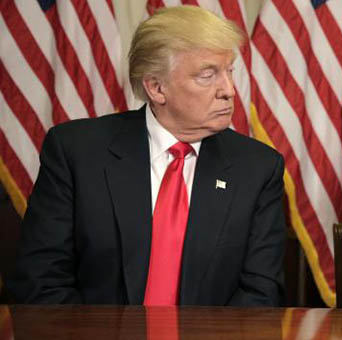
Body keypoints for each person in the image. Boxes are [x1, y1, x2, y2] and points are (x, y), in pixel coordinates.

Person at [8, 6, 286, 306]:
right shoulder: (76, 152)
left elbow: (260, 293)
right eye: (208, 75)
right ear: (156, 87)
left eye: (229, 71)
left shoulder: (257, 168)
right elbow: (42, 281)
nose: (229, 90)